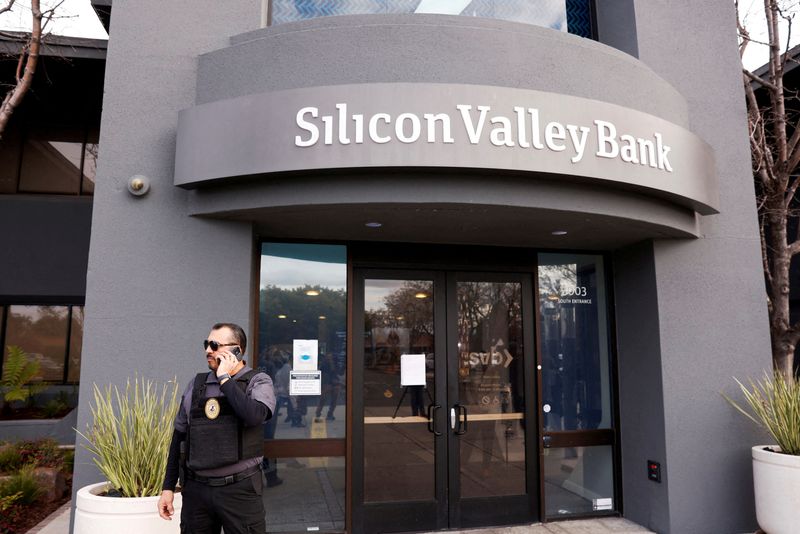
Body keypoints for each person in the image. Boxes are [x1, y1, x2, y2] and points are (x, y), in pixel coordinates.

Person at [157, 323, 276, 534]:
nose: (207, 350)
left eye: (214, 345)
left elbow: (254, 415)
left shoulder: (258, 381)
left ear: (236, 350)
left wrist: (225, 379)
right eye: (206, 344)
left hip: (240, 491)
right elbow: (179, 437)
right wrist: (168, 487)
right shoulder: (197, 384)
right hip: (197, 492)